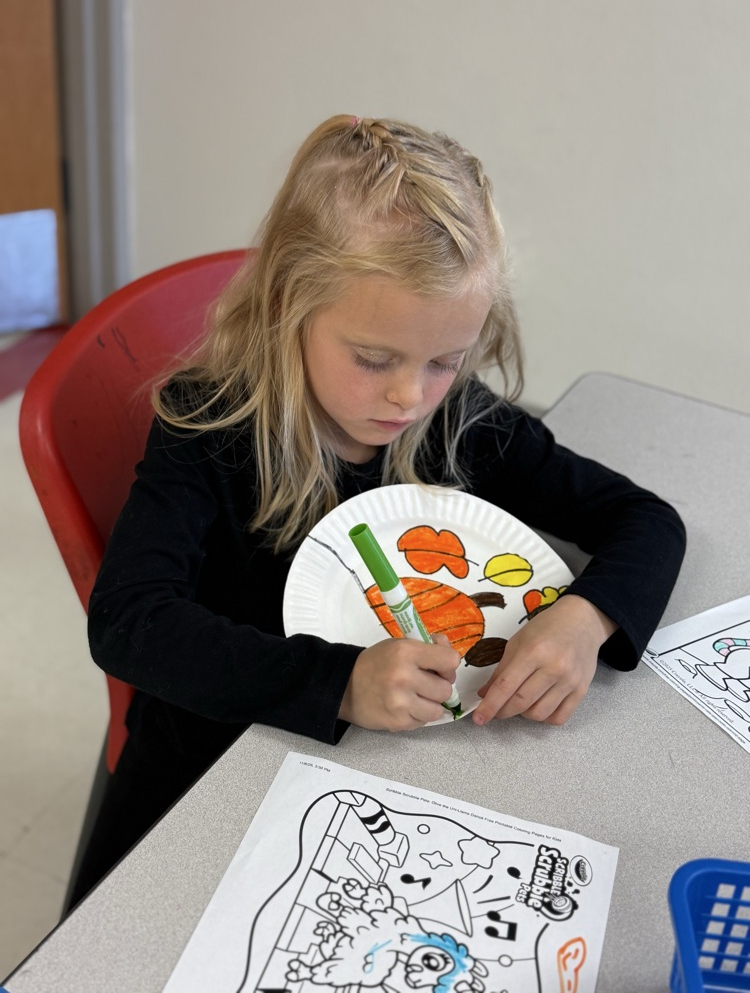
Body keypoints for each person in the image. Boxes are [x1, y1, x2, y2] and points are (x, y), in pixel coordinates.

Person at [67, 114, 686, 908]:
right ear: (291, 303)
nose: (409, 395)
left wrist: (586, 618)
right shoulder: (210, 427)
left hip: (391, 785)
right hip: (217, 763)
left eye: (445, 359)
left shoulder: (454, 420)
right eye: (373, 359)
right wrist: (341, 683)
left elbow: (646, 519)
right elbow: (128, 623)